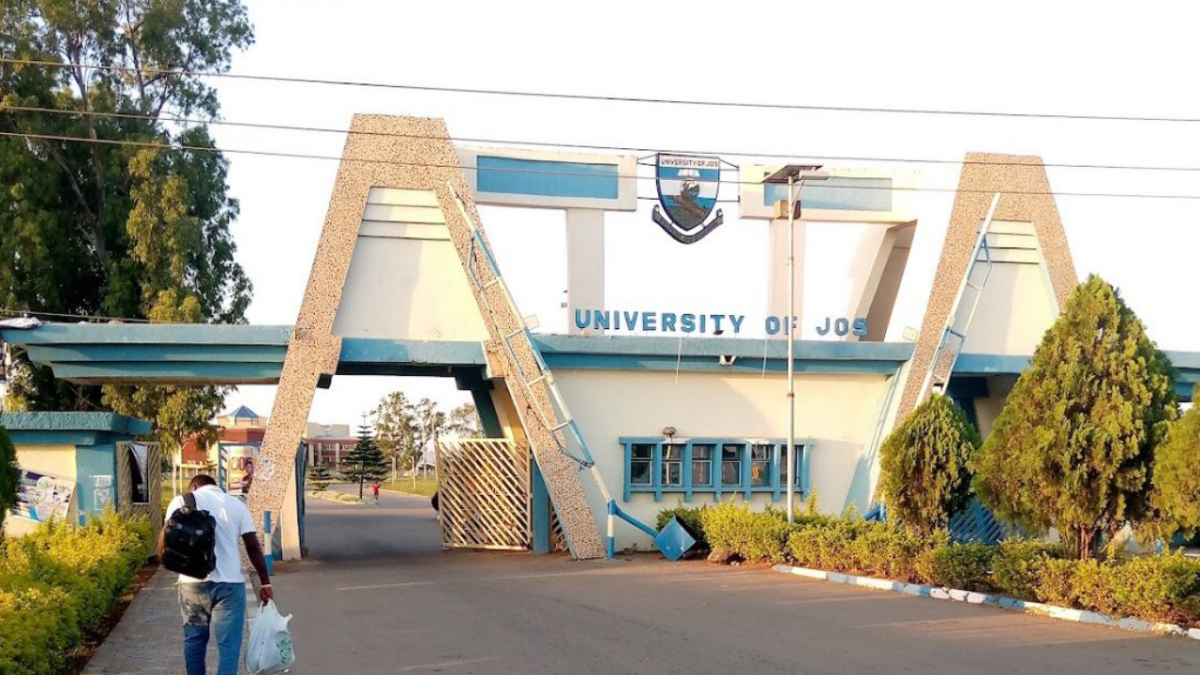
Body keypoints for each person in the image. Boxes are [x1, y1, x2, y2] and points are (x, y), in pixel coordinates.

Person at [159, 474, 274, 675]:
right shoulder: (237, 505)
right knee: (229, 646)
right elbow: (253, 546)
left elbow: (165, 540)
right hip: (230, 584)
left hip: (192, 582)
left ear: (195, 486)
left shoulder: (180, 502)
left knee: (194, 640)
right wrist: (265, 583)